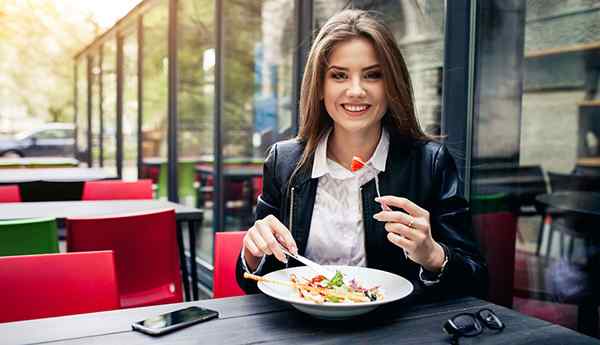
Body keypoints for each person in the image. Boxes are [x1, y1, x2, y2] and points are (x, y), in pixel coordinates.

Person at [236, 9, 487, 300]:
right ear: (320, 86)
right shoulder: (284, 162)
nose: (355, 91)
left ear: (391, 85)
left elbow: (477, 281)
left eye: (373, 75)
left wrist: (432, 255)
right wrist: (252, 253)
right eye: (339, 76)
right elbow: (255, 283)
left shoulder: (430, 163)